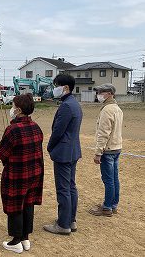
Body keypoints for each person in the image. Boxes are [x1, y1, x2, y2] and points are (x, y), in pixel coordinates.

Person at [0, 93, 44, 254]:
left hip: (17, 175)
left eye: (14, 106)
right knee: (28, 204)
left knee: (15, 205)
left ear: (19, 110)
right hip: (34, 173)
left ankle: (16, 241)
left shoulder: (13, 130)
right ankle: (25, 238)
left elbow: (2, 153)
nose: (12, 108)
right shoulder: (36, 127)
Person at [43, 74, 82, 235]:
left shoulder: (66, 106)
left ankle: (63, 224)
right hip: (72, 150)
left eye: (56, 85)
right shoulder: (75, 103)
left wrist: (50, 147)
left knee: (63, 189)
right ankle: (70, 221)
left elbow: (58, 131)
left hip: (63, 152)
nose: (54, 89)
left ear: (65, 88)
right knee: (71, 187)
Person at [89, 83, 123, 217]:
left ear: (109, 94)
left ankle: (107, 207)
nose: (99, 95)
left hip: (108, 150)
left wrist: (98, 152)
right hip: (116, 147)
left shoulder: (107, 109)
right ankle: (113, 205)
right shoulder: (117, 108)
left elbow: (103, 133)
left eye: (101, 92)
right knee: (114, 178)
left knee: (108, 180)